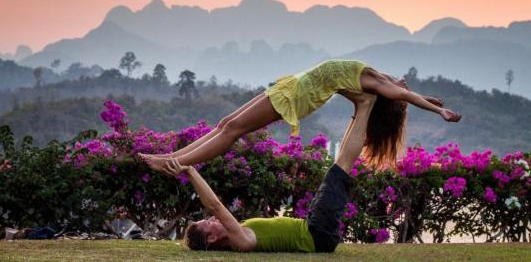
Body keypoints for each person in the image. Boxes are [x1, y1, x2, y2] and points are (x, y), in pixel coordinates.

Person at [140, 58, 461, 175]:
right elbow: (407, 92)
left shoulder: (382, 86)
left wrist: (438, 111)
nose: (406, 85)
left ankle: (175, 165)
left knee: (233, 129)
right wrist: (429, 99)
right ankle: (172, 157)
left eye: (404, 94)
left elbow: (404, 95)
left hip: (298, 97)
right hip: (293, 85)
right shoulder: (384, 79)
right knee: (227, 122)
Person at [170, 91, 389, 252]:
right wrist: (189, 169)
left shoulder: (241, 232)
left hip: (313, 227)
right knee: (341, 167)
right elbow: (214, 205)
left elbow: (214, 209)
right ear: (210, 239)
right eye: (207, 223)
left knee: (340, 164)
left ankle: (361, 109)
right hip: (317, 233)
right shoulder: (241, 240)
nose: (211, 218)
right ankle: (366, 105)